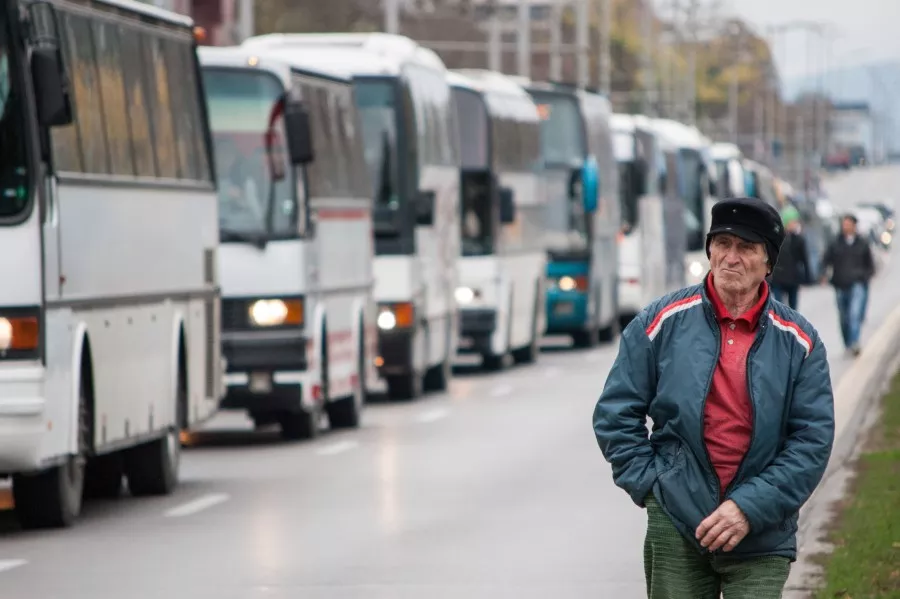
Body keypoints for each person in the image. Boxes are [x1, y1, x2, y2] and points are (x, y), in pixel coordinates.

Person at [593, 197, 835, 599]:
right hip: (676, 522)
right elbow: (615, 414)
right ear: (709, 250)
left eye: (746, 248)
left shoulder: (800, 342)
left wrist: (749, 508)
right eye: (722, 244)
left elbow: (811, 442)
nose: (731, 258)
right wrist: (654, 488)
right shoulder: (660, 322)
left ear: (768, 263)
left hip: (762, 532)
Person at [820, 214, 875, 357]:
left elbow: (870, 264)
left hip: (857, 283)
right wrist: (823, 274)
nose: (846, 226)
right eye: (844, 224)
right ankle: (848, 343)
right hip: (840, 284)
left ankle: (855, 342)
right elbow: (826, 260)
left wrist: (864, 276)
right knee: (843, 317)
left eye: (849, 224)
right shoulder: (835, 243)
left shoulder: (862, 243)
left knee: (854, 313)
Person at [769, 204, 811, 310]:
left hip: (793, 279)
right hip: (778, 279)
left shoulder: (798, 239)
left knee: (793, 309)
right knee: (778, 308)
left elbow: (804, 259)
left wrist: (808, 277)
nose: (795, 224)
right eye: (793, 221)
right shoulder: (775, 238)